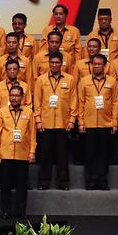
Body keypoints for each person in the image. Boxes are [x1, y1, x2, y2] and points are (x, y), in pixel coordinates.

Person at [76, 53, 118, 190]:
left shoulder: (112, 81)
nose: (97, 67)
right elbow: (80, 102)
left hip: (106, 124)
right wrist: (81, 122)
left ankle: (103, 180)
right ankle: (91, 181)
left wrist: (114, 122)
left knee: (104, 154)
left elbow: (115, 103)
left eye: (99, 64)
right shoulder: (85, 81)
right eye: (94, 64)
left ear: (105, 66)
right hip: (89, 124)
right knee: (90, 154)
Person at [33, 52, 75, 190]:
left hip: (63, 123)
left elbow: (74, 101)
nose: (54, 65)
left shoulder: (70, 79)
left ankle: (63, 183)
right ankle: (43, 183)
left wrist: (72, 120)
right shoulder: (41, 80)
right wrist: (38, 120)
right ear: (49, 63)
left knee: (63, 156)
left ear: (62, 63)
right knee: (45, 155)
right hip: (46, 123)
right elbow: (37, 101)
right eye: (52, 62)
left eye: (57, 62)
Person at [0, 84, 36, 219]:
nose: (14, 98)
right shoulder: (2, 112)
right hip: (5, 153)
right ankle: (6, 211)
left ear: (22, 97)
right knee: (5, 185)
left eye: (17, 95)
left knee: (22, 185)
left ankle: (21, 211)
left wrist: (32, 152)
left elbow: (32, 134)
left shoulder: (29, 112)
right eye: (12, 95)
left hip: (22, 154)